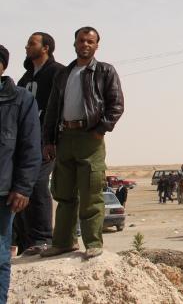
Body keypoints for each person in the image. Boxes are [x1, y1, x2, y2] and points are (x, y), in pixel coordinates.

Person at [41, 27, 124, 260]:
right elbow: (52, 110)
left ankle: (93, 243)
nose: (85, 44)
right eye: (81, 40)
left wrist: (99, 130)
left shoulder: (105, 71)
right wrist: (48, 140)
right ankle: (63, 243)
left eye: (90, 41)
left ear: (97, 45)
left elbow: (116, 105)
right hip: (65, 137)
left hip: (90, 139)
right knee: (64, 193)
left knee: (91, 194)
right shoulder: (64, 74)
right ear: (75, 43)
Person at [15, 32, 64, 256]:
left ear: (46, 47)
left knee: (37, 183)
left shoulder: (57, 72)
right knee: (21, 186)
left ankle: (43, 237)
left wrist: (53, 138)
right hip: (25, 143)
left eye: (32, 43)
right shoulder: (24, 80)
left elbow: (61, 107)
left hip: (47, 142)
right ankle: (26, 241)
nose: (27, 47)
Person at [0, 45, 42, 301]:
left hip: (3, 192)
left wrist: (23, 187)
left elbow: (30, 147)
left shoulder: (21, 99)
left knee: (0, 255)